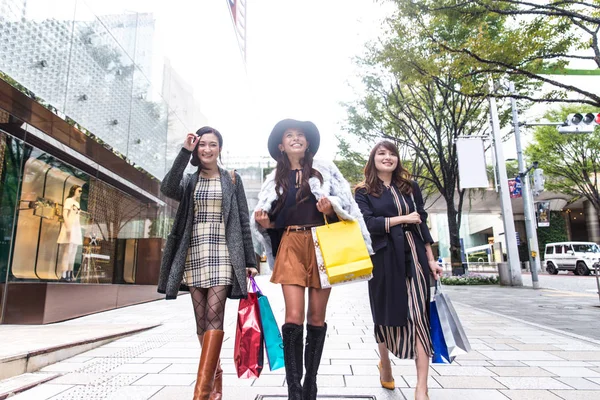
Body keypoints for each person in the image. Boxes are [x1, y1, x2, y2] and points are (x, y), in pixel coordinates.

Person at [252, 119, 372, 400]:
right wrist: (266, 224)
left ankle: (311, 384)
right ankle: (294, 388)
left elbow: (349, 208)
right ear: (281, 146)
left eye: (301, 135)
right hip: (291, 244)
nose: (296, 138)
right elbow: (275, 221)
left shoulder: (326, 169)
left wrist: (332, 207)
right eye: (289, 136)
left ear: (308, 143)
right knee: (293, 317)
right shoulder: (273, 180)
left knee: (316, 317)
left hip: (323, 245)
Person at [158, 127, 258, 400]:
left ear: (220, 149)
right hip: (194, 252)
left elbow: (243, 222)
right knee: (201, 322)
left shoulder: (232, 180)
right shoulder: (189, 181)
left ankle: (201, 392)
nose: (207, 149)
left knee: (214, 316)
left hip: (225, 253)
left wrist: (249, 260)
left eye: (212, 145)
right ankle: (215, 377)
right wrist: (184, 151)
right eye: (202, 145)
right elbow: (167, 188)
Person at [354, 141, 442, 400]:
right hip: (382, 257)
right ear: (373, 159)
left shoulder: (410, 188)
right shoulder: (364, 191)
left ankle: (421, 388)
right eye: (382, 153)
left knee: (419, 315)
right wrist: (402, 219)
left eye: (392, 153)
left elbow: (422, 224)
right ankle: (385, 363)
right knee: (385, 314)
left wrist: (431, 259)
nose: (388, 157)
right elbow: (367, 224)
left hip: (413, 253)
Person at [57, 185, 83, 282]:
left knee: (73, 252)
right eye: (79, 190)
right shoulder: (68, 201)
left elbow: (78, 217)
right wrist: (68, 227)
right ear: (74, 191)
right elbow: (65, 214)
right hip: (70, 226)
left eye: (81, 191)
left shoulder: (77, 203)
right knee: (67, 251)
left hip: (76, 228)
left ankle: (70, 273)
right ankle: (63, 274)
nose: (80, 192)